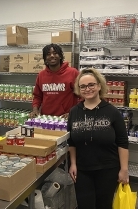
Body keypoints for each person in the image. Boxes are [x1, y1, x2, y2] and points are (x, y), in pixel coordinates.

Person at [67, 68, 129, 209]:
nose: (87, 89)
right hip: (82, 170)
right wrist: (73, 163)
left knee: (104, 205)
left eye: (91, 85)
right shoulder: (74, 112)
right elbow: (71, 142)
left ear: (99, 86)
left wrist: (124, 169)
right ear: (78, 89)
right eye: (83, 86)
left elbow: (123, 142)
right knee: (85, 205)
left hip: (108, 169)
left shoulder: (112, 112)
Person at [31, 43, 79, 118]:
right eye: (48, 54)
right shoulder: (41, 75)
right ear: (45, 58)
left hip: (66, 118)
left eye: (55, 53)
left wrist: (74, 112)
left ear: (60, 56)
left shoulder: (73, 73)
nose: (52, 56)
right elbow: (37, 96)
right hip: (46, 119)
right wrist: (35, 109)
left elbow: (82, 96)